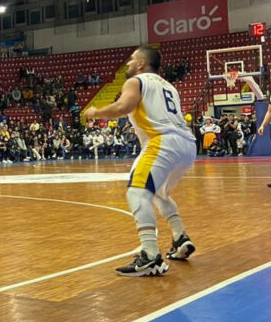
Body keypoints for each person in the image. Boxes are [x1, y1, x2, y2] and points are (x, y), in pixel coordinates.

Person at [83, 46, 197, 277]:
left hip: (162, 141)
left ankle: (150, 255)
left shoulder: (135, 81)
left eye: (132, 60)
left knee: (137, 192)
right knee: (159, 193)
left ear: (141, 64)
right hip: (187, 144)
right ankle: (179, 237)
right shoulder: (170, 87)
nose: (128, 64)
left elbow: (122, 107)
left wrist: (94, 112)